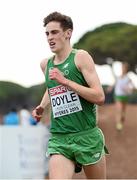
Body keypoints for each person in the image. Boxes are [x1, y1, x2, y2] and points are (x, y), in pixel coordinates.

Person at [32, 11, 108, 179]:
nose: (49, 38)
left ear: (68, 33)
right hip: (60, 139)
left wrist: (66, 81)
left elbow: (99, 97)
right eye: (47, 34)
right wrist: (42, 106)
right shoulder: (46, 64)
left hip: (87, 136)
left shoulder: (80, 58)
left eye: (54, 32)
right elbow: (51, 87)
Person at [114, 62, 135, 130]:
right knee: (118, 110)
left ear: (126, 69)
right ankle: (118, 124)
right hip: (118, 96)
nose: (123, 69)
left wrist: (128, 89)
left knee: (123, 112)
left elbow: (133, 87)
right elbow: (114, 84)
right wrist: (109, 89)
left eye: (124, 68)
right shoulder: (118, 77)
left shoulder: (128, 78)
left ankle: (122, 119)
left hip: (125, 96)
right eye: (122, 67)